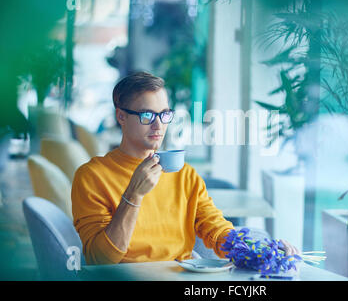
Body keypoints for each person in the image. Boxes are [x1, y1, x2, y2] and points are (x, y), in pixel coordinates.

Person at [71, 71, 299, 265]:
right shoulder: (92, 176)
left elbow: (216, 230)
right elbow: (99, 259)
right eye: (147, 115)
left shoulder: (185, 175)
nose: (158, 125)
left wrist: (260, 249)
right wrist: (133, 195)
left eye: (164, 114)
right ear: (121, 116)